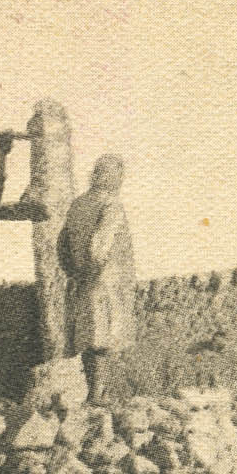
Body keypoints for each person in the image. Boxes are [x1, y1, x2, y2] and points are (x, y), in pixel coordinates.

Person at [57, 154, 136, 404]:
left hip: (82, 281)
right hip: (103, 280)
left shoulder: (78, 205)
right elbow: (99, 246)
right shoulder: (110, 205)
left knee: (88, 337)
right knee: (103, 337)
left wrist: (73, 272)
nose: (120, 182)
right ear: (111, 177)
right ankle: (98, 394)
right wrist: (95, 270)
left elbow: (61, 244)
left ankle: (94, 391)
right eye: (119, 177)